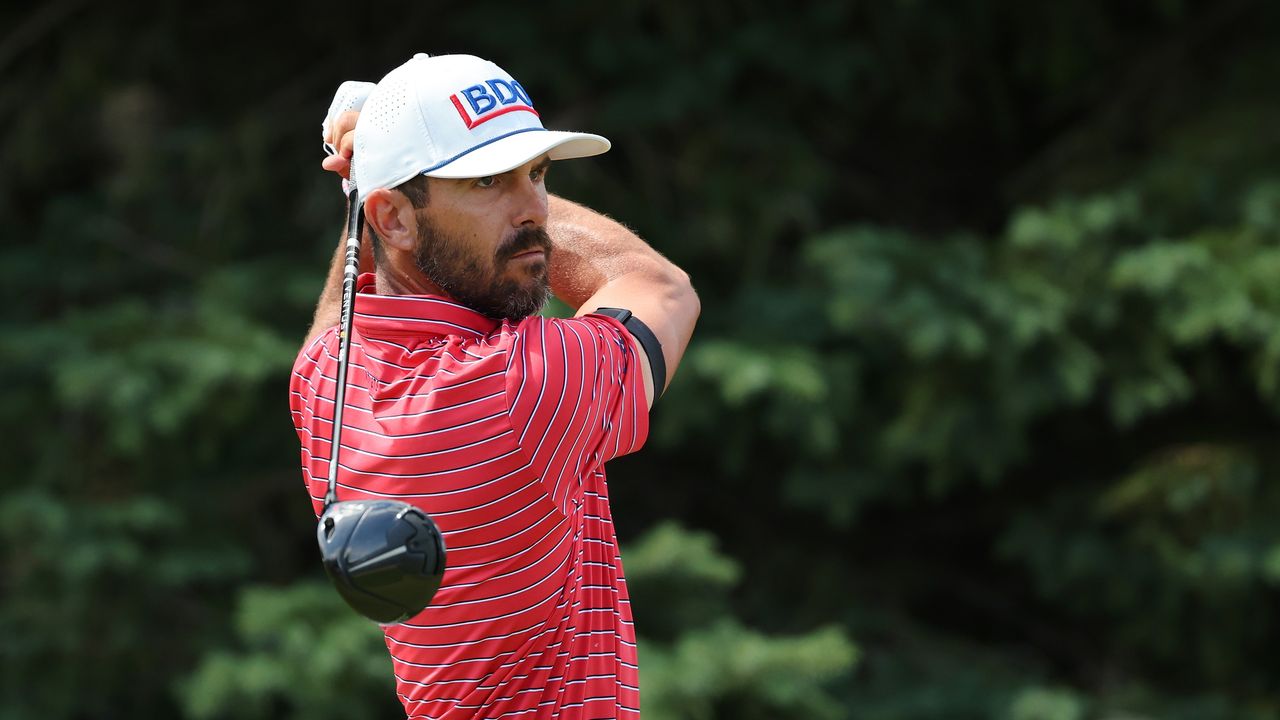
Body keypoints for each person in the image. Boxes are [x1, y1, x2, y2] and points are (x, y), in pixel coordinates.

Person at [289, 53, 699, 719]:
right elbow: (657, 286)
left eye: (537, 174)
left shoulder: (326, 384)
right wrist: (374, 175)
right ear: (394, 219)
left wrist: (374, 183)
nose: (533, 209)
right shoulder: (518, 389)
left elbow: (337, 317)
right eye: (486, 181)